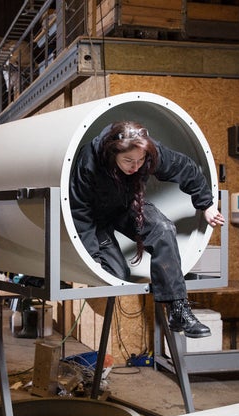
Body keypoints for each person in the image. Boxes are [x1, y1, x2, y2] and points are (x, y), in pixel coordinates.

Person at [69, 121, 225, 338]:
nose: (135, 167)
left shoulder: (150, 152)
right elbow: (80, 212)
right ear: (113, 153)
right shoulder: (90, 160)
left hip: (126, 205)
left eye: (140, 160)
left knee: (163, 229)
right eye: (128, 161)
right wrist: (91, 259)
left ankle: (178, 309)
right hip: (95, 218)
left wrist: (206, 204)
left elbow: (186, 167)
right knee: (117, 275)